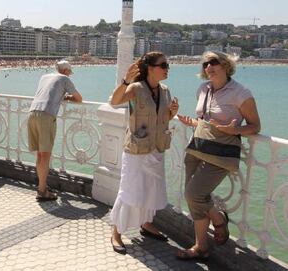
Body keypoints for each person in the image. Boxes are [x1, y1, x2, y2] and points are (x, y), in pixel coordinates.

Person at [176, 51, 261, 260]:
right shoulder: (202, 89)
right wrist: (193, 123)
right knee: (193, 197)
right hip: (198, 147)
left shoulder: (241, 93)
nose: (208, 67)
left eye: (213, 62)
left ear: (225, 65)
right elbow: (206, 121)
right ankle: (201, 247)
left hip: (221, 153)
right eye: (205, 63)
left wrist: (234, 131)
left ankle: (219, 219)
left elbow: (256, 126)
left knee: (194, 195)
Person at [109, 52, 179, 255]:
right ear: (150, 68)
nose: (167, 68)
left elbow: (163, 117)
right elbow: (115, 101)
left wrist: (172, 112)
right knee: (129, 190)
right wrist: (125, 81)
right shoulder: (136, 88)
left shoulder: (165, 91)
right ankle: (116, 232)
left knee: (152, 189)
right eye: (163, 65)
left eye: (168, 64)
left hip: (157, 148)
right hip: (137, 150)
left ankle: (147, 224)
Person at [28, 60, 82, 201]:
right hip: (46, 115)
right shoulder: (64, 79)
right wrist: (68, 97)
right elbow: (79, 98)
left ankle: (43, 185)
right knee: (45, 155)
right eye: (70, 72)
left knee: (39, 155)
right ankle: (42, 191)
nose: (70, 75)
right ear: (65, 71)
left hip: (32, 112)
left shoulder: (44, 77)